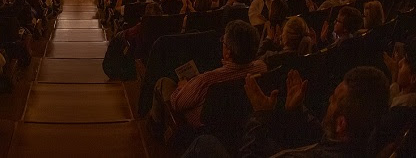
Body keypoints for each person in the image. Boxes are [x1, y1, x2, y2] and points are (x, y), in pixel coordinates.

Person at [241, 66, 390, 157]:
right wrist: (297, 110)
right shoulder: (369, 141)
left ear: (341, 123)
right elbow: (328, 142)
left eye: (333, 100)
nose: (329, 101)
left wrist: (259, 117)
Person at [149, 20, 266, 132]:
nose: (222, 45)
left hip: (200, 127)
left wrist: (182, 86)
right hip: (236, 122)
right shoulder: (261, 68)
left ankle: (155, 127)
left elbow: (176, 103)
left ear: (228, 53)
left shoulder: (208, 79)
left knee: (163, 82)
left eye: (223, 42)